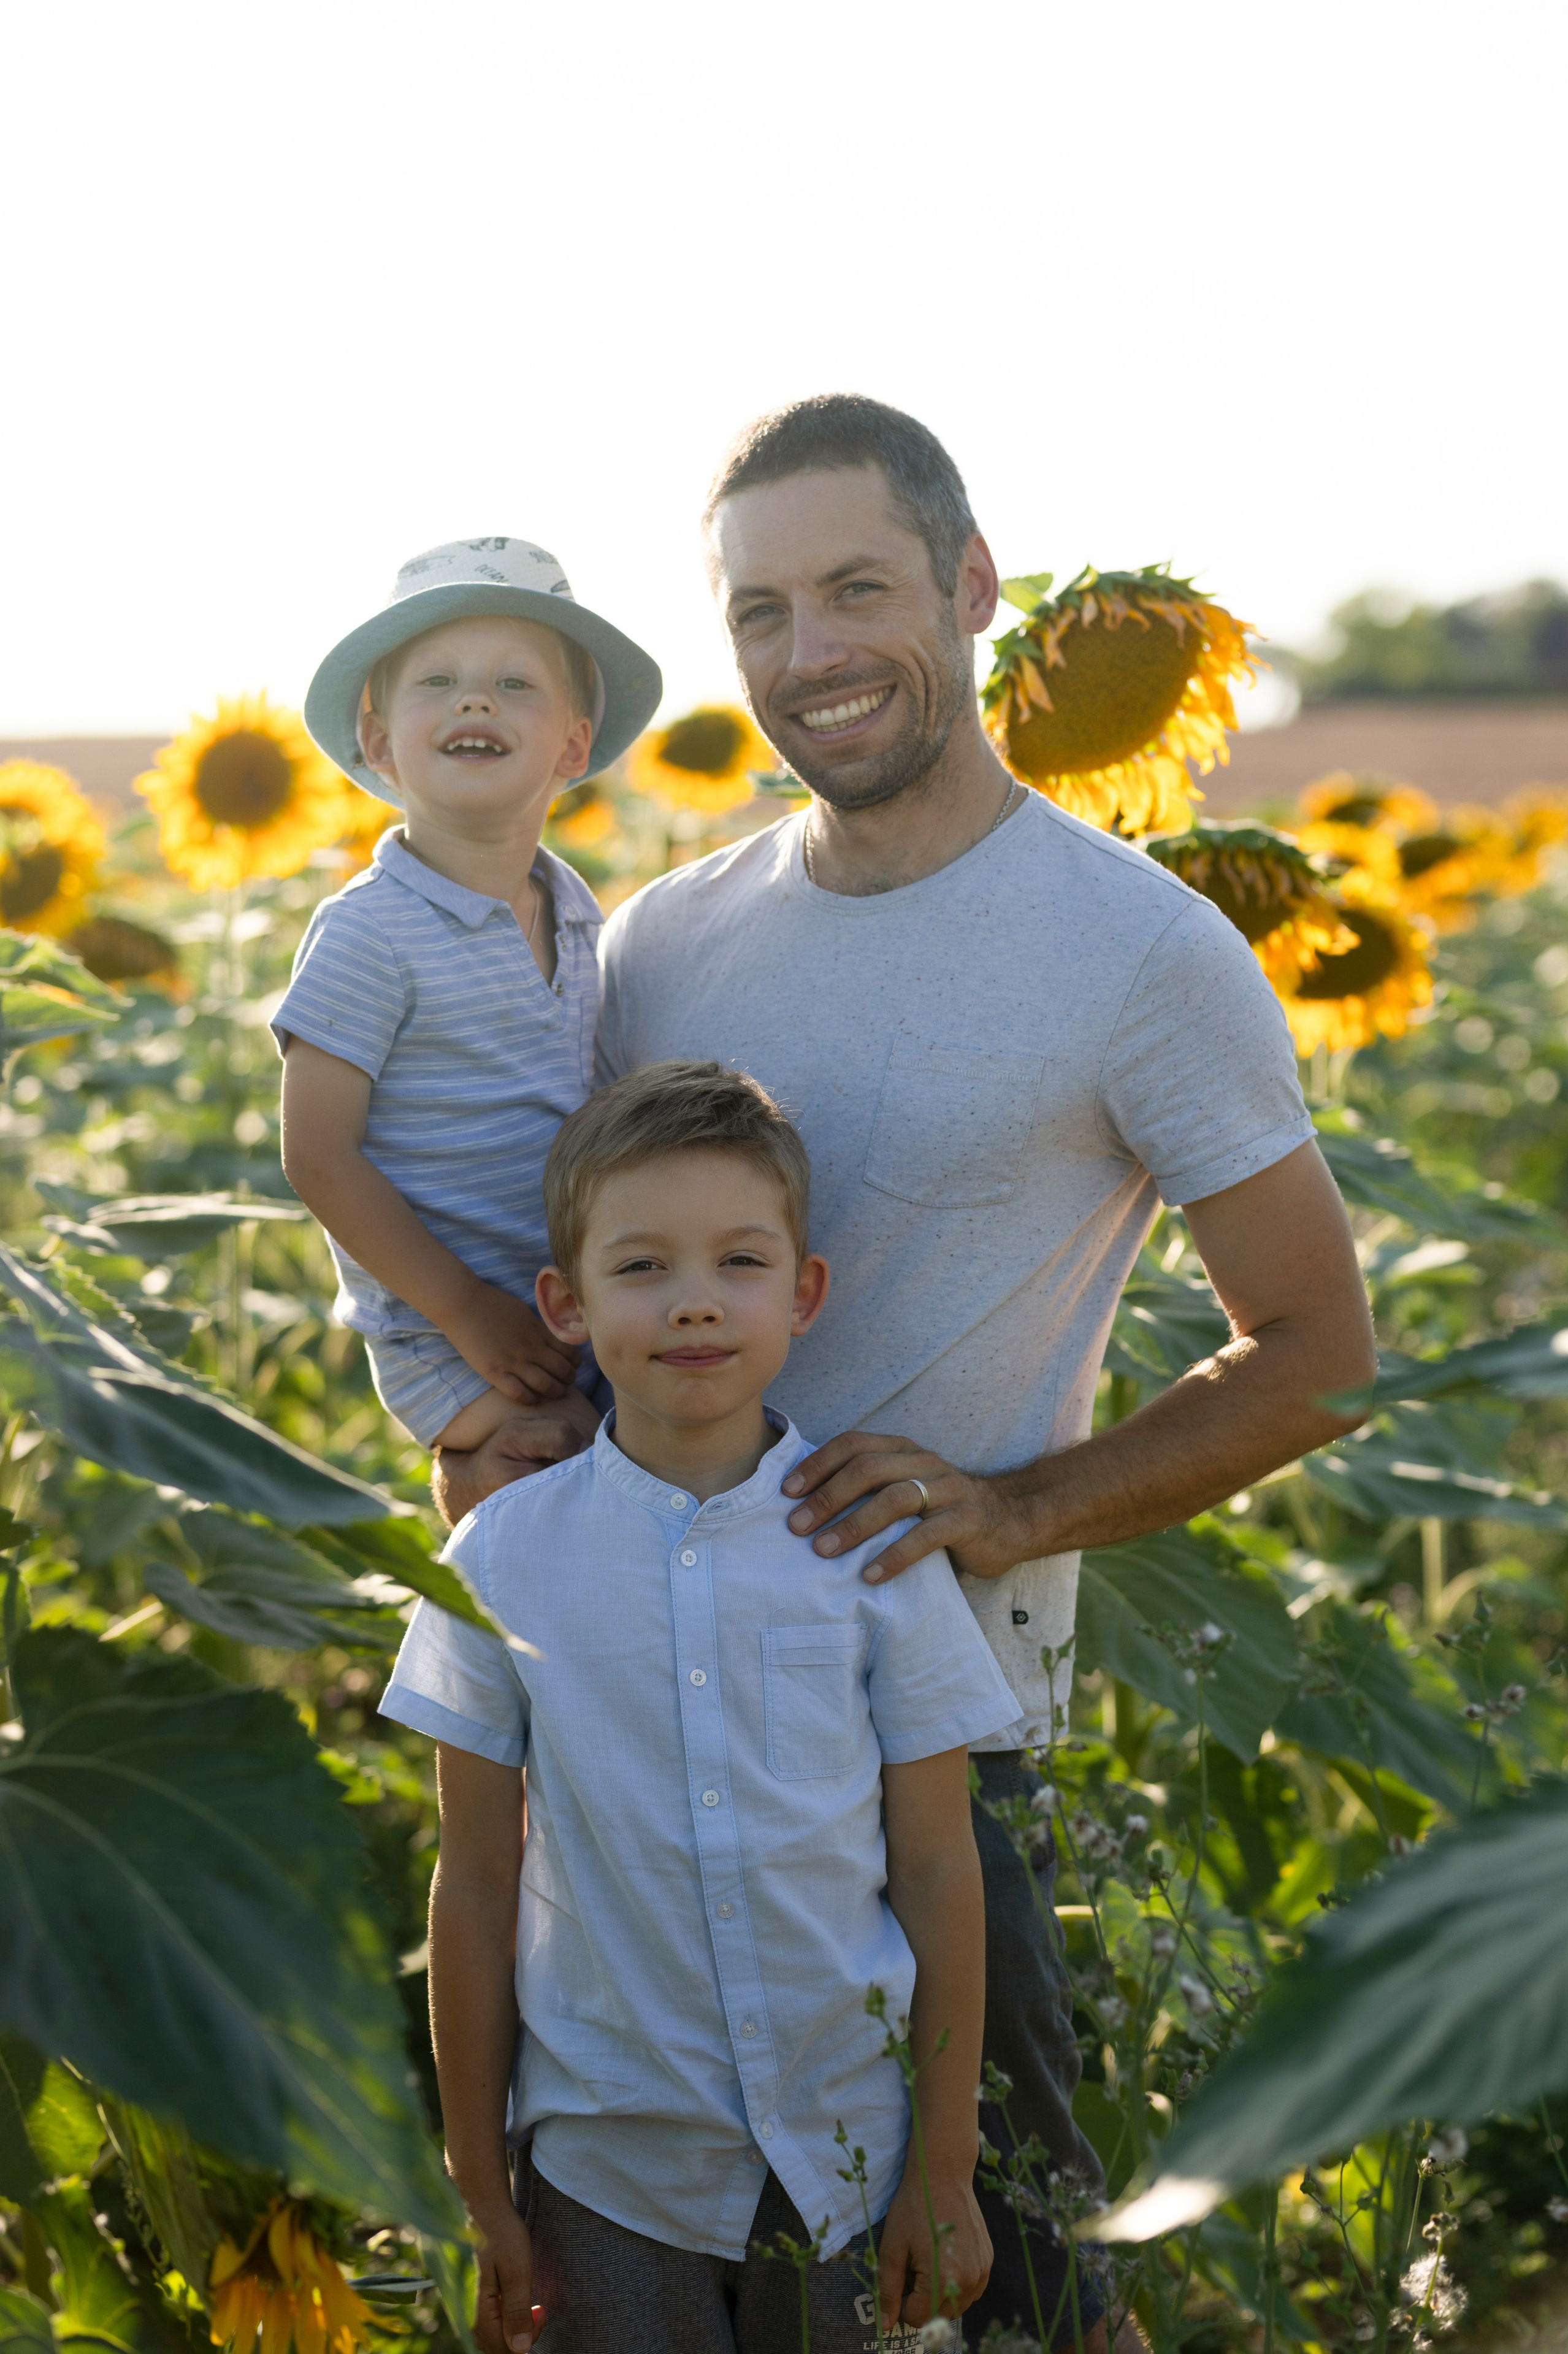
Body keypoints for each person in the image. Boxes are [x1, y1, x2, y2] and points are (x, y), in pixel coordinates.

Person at [434, 397, 1379, 2346]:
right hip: (634, 1744)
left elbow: (1319, 1353)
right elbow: (605, 1273)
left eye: (859, 587)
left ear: (969, 587)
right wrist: (502, 1426)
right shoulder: (668, 945)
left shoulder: (1141, 950)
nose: (812, 652)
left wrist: (1019, 1506)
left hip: (928, 1741)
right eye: (762, 608)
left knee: (1014, 2282)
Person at [380, 1062, 1020, 2352]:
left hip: (846, 2153)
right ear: (562, 1301)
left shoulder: (870, 1552)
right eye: (640, 1267)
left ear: (803, 1291)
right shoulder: (498, 1558)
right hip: (609, 2161)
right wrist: (476, 2177)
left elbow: (942, 1868)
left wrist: (942, 2166)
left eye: (736, 1260)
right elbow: (474, 1884)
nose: (690, 1302)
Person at [272, 536, 660, 1452]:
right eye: (436, 682)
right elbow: (316, 1155)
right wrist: (466, 1310)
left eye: (514, 684)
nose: (475, 700)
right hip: (444, 1325)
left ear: (574, 744)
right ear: (379, 743)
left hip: (562, 1304)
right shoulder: (370, 930)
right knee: (563, 1470)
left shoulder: (572, 910)